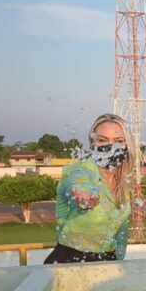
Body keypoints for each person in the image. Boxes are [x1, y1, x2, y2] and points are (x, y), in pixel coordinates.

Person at [44, 113, 132, 264]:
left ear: (126, 145)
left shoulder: (122, 184)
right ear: (92, 143)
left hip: (109, 262)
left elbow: (119, 233)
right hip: (70, 262)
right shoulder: (78, 171)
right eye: (102, 140)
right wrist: (83, 195)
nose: (110, 146)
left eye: (118, 141)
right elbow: (77, 183)